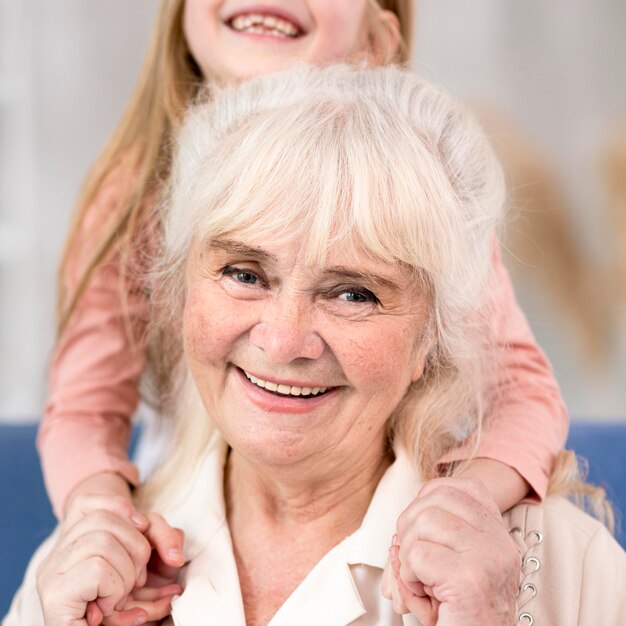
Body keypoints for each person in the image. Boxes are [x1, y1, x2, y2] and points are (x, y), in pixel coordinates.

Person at [7, 64, 625, 626]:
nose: (282, 341)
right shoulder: (82, 567)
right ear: (180, 299)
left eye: (353, 294)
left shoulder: (559, 566)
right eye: (245, 275)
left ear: (430, 343)